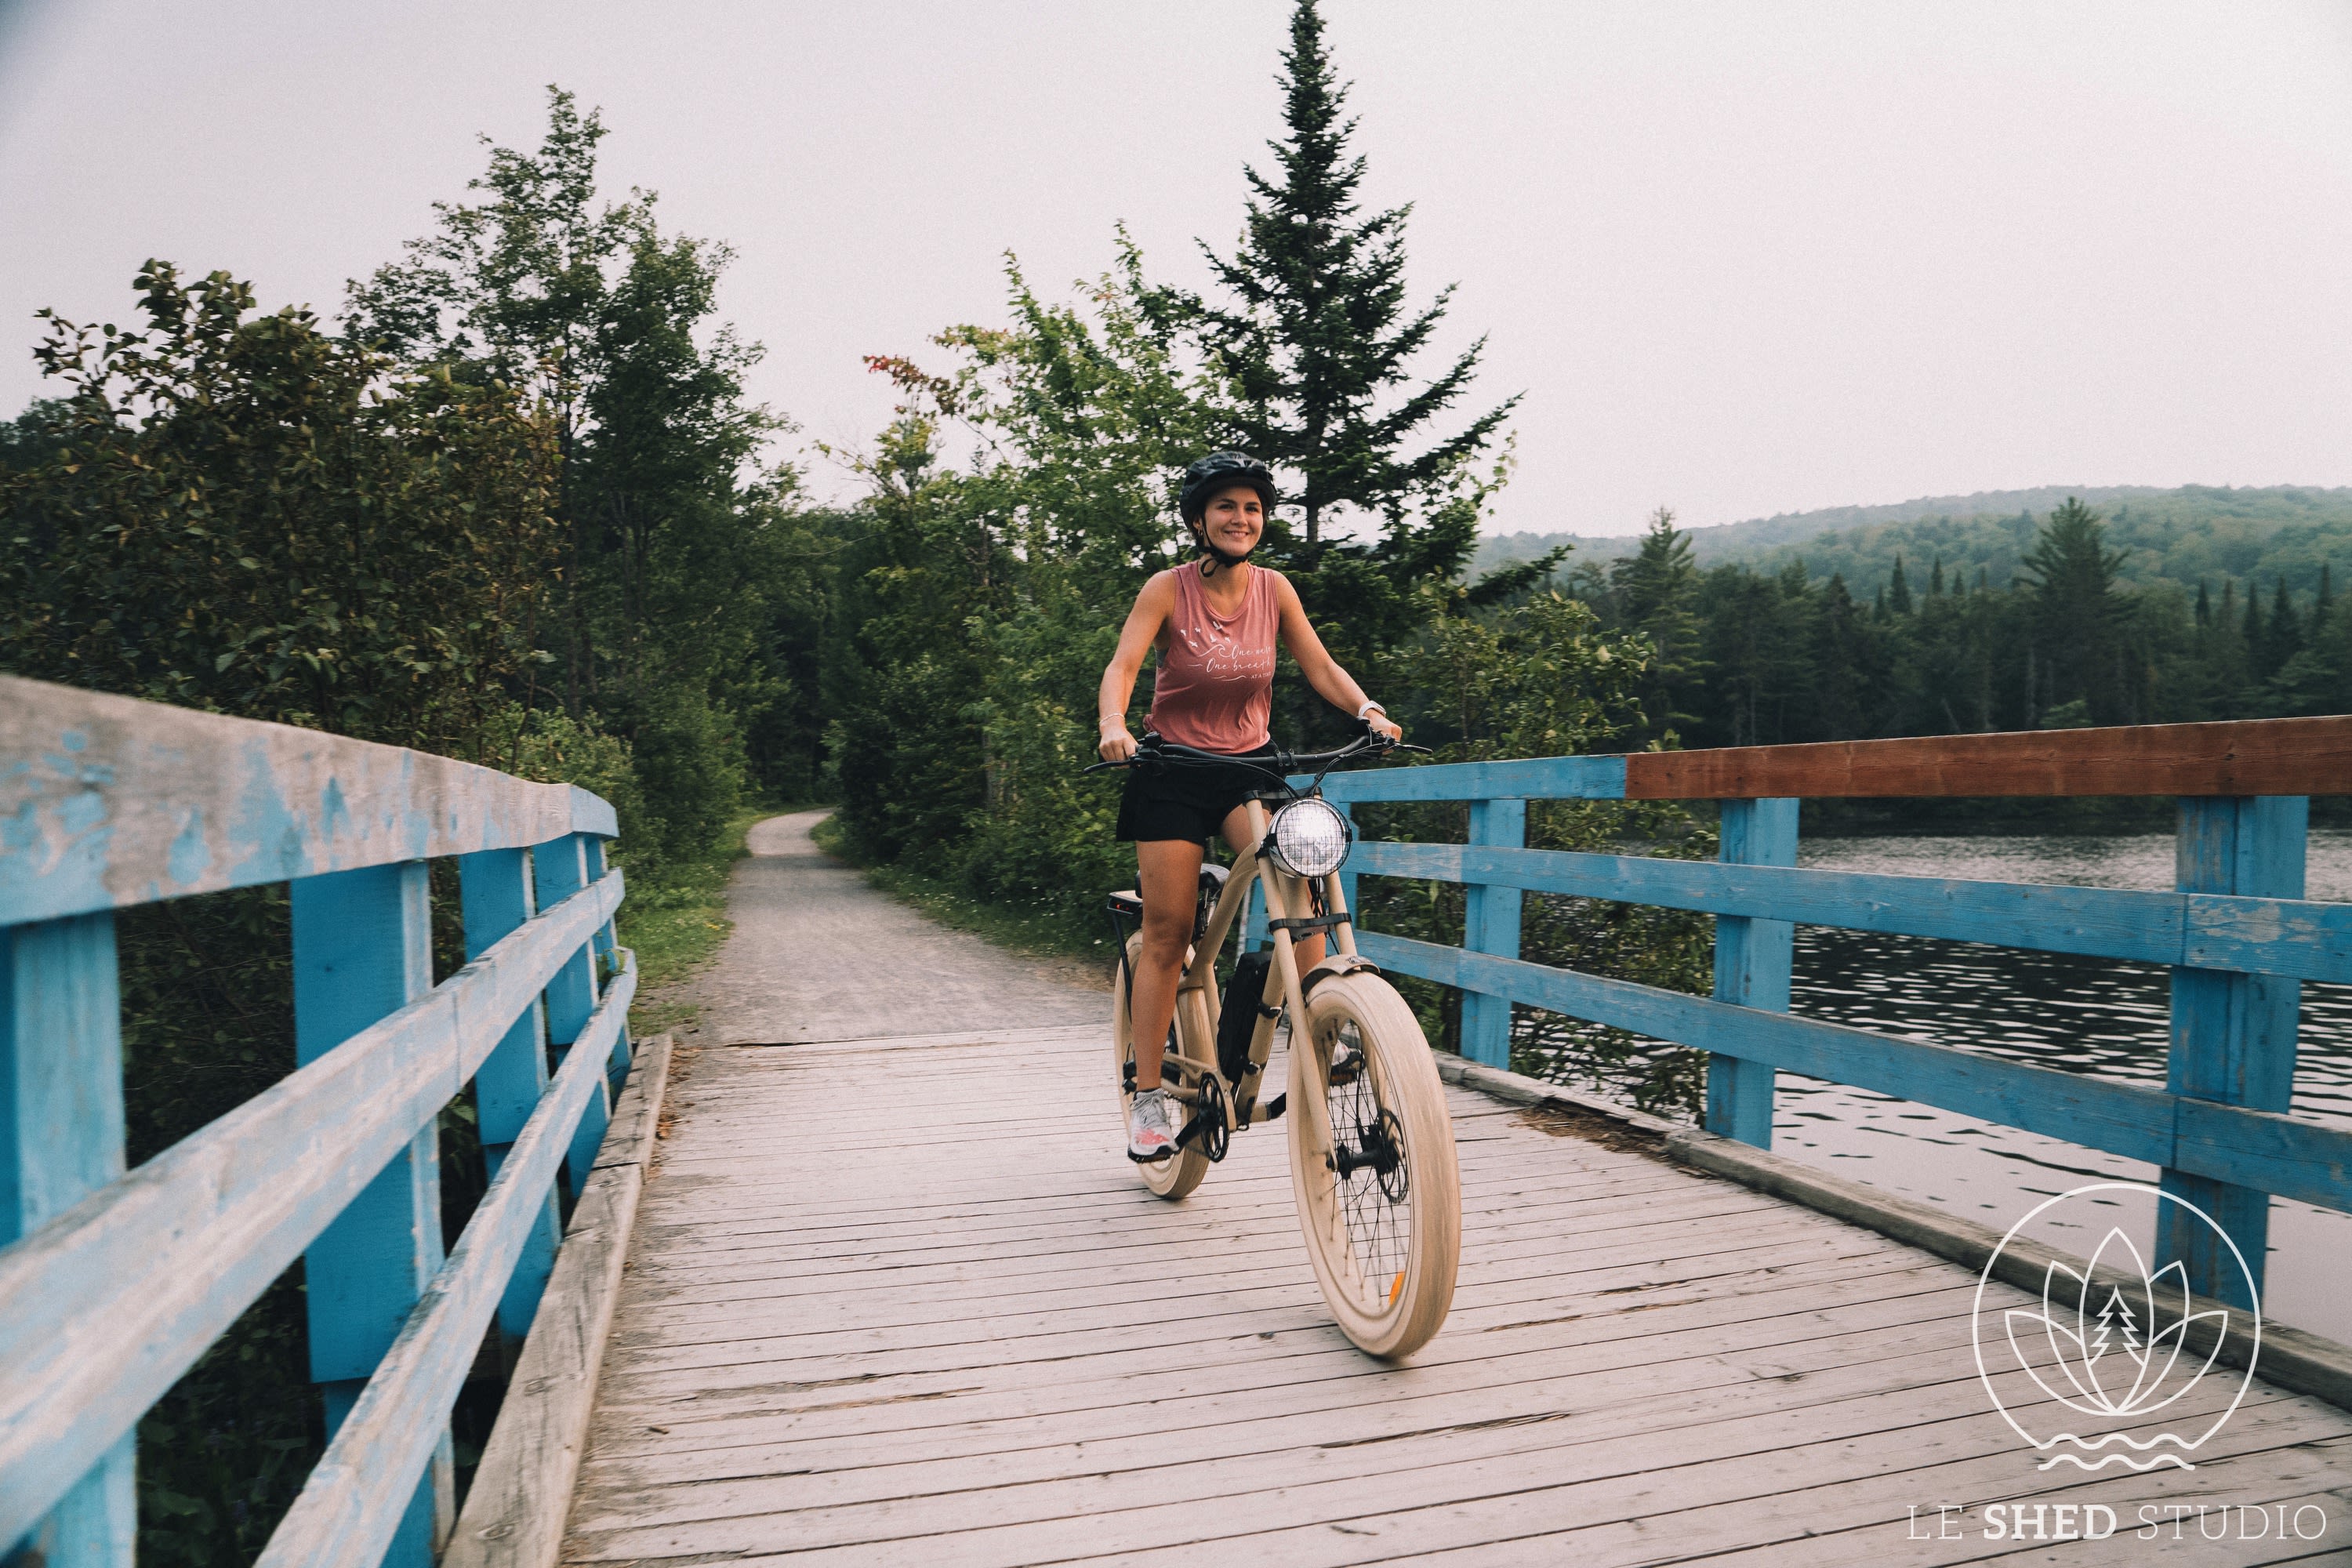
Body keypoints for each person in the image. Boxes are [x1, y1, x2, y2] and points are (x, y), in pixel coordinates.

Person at [1098, 452, 1403, 1161]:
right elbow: (1124, 667)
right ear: (1200, 520)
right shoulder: (1166, 590)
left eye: (1254, 509)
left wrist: (1368, 709)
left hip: (1248, 766)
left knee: (1301, 886)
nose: (1242, 519)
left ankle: (1324, 1029)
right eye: (1228, 507)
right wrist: (1114, 725)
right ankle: (1147, 1097)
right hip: (1171, 768)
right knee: (1169, 933)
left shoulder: (1275, 590)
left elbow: (1320, 664)